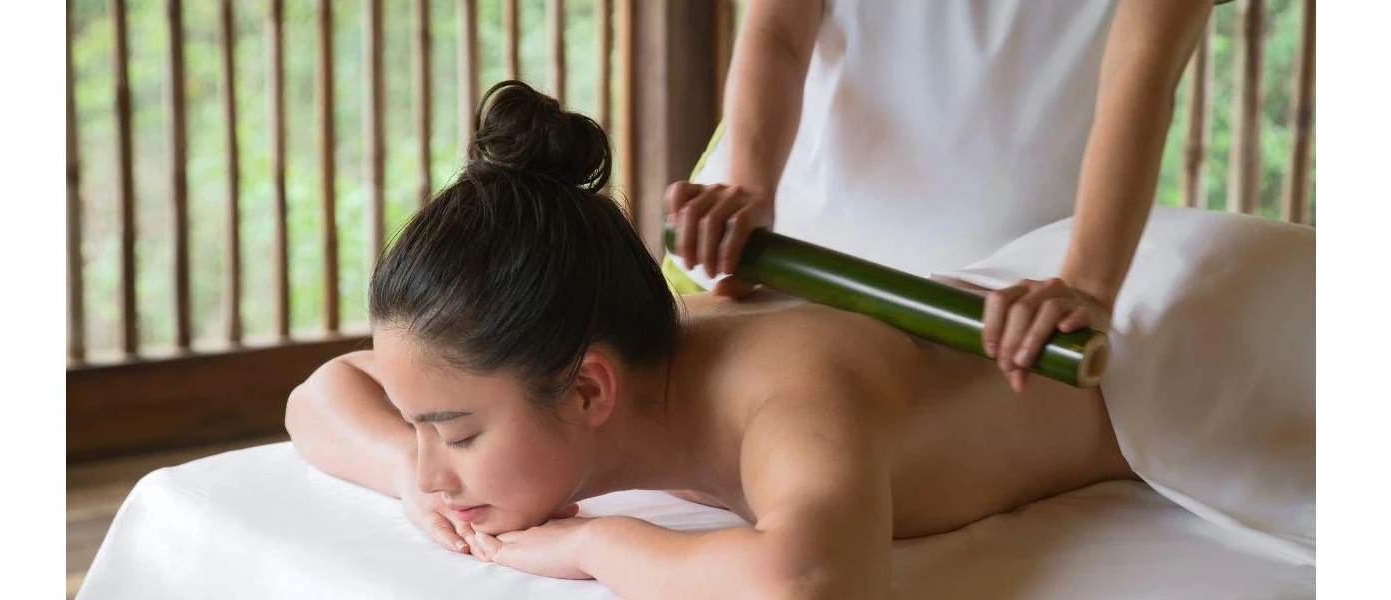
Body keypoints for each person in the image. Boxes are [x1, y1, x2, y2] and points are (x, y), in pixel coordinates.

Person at [286, 81, 1137, 599]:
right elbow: (317, 399)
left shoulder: (783, 398)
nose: (438, 465)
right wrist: (408, 469)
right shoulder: (622, 339)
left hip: (1158, 366)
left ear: (588, 389)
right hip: (999, 294)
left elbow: (809, 585)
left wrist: (589, 544)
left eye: (460, 433)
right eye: (423, 425)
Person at [663, 0, 1213, 394]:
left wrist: (1088, 285)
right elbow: (778, 31)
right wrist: (751, 190)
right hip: (773, 253)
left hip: (993, 309)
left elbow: (1141, 70)